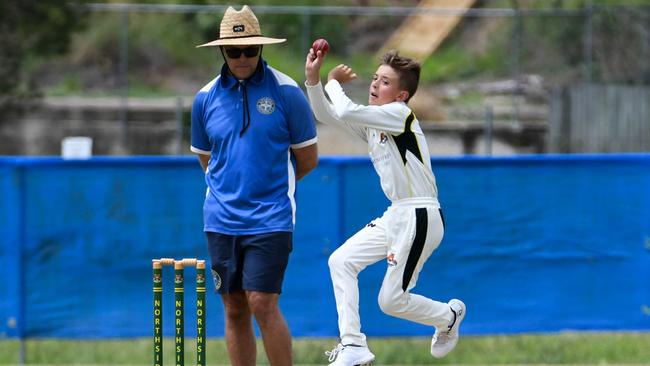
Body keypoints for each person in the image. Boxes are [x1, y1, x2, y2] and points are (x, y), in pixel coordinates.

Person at [304, 48, 465, 365]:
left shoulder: (399, 114)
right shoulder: (376, 124)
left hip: (420, 214)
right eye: (375, 78)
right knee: (341, 261)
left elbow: (346, 110)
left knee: (390, 301)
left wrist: (334, 81)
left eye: (386, 81)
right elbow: (327, 115)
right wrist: (313, 79)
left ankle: (448, 316)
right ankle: (352, 344)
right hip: (397, 214)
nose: (375, 84)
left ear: (402, 94)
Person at [191, 5, 318, 366]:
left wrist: (269, 189)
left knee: (262, 301)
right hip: (221, 219)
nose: (243, 57)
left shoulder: (287, 92)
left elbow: (306, 159)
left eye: (250, 49)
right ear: (222, 51)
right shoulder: (204, 98)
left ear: (261, 49)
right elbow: (207, 159)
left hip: (271, 218)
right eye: (234, 51)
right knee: (233, 307)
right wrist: (231, 188)